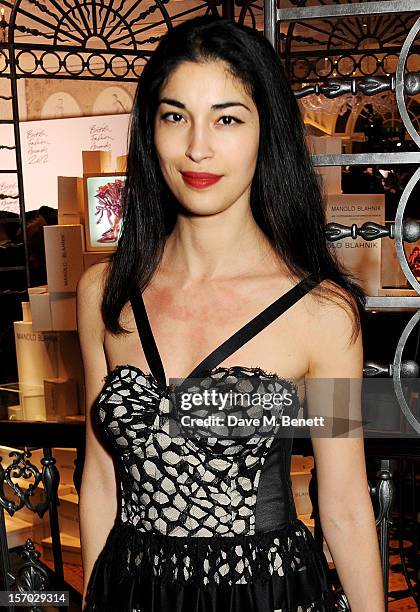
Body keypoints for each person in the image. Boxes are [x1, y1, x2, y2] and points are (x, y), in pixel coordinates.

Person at [76, 15, 385, 612]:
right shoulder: (104, 294)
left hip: (263, 594)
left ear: (265, 132)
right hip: (132, 592)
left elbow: (343, 499)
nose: (197, 146)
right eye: (175, 116)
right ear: (150, 131)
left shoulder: (325, 315)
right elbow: (99, 479)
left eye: (227, 118)